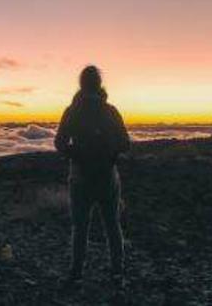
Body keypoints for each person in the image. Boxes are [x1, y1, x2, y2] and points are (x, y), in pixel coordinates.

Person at [54, 65, 131, 289]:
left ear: (80, 84)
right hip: (108, 177)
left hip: (80, 177)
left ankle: (76, 275)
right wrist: (110, 155)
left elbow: (59, 143)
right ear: (100, 84)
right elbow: (125, 144)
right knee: (112, 225)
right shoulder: (111, 111)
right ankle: (117, 274)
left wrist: (75, 155)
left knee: (80, 228)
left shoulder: (72, 111)